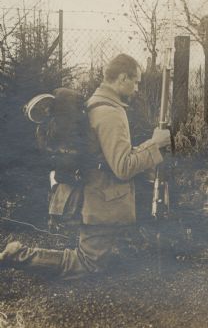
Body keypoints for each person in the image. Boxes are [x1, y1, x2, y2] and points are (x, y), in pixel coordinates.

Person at [0, 54, 171, 279]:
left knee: (108, 256)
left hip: (92, 195)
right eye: (136, 81)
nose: (137, 88)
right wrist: (155, 145)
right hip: (101, 200)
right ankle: (19, 255)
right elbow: (122, 166)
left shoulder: (95, 102)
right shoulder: (110, 113)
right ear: (122, 78)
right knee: (89, 263)